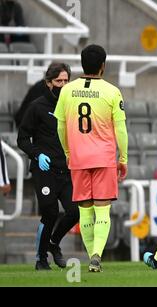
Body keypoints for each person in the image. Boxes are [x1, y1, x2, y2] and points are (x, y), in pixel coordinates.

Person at [54, 44, 128, 272]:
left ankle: (91, 257)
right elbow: (121, 129)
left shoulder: (67, 90)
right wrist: (122, 158)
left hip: (78, 158)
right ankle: (96, 254)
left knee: (85, 210)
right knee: (103, 209)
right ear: (103, 66)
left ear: (81, 63)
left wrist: (68, 152)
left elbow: (60, 126)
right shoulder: (112, 91)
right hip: (104, 158)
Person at [17, 63, 79, 270]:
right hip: (44, 170)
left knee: (75, 211)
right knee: (50, 212)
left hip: (67, 170)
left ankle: (54, 244)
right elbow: (22, 139)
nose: (62, 84)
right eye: (58, 81)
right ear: (49, 83)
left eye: (65, 80)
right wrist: (37, 154)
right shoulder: (37, 107)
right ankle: (41, 259)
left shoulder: (73, 106)